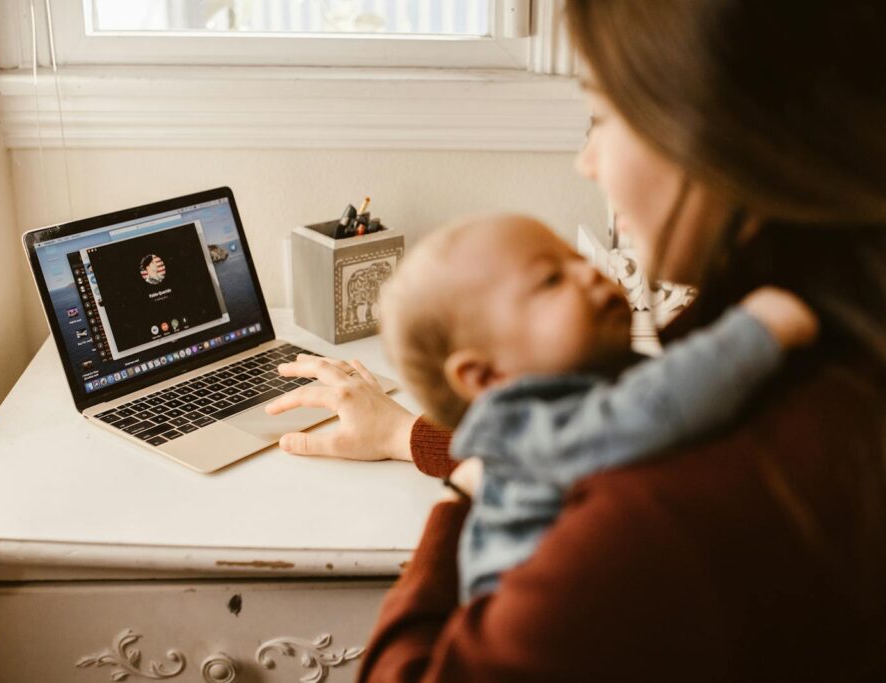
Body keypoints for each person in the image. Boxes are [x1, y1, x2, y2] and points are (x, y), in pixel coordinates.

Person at [265, 0, 886, 677]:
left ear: (724, 133)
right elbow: (617, 417)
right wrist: (411, 437)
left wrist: (457, 507)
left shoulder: (652, 521)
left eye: (605, 117)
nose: (587, 161)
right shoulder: (812, 331)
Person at [376, 213, 818, 601]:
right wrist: (755, 332)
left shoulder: (584, 390)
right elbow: (647, 412)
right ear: (487, 377)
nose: (589, 274)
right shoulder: (527, 425)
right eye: (551, 279)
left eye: (579, 260)